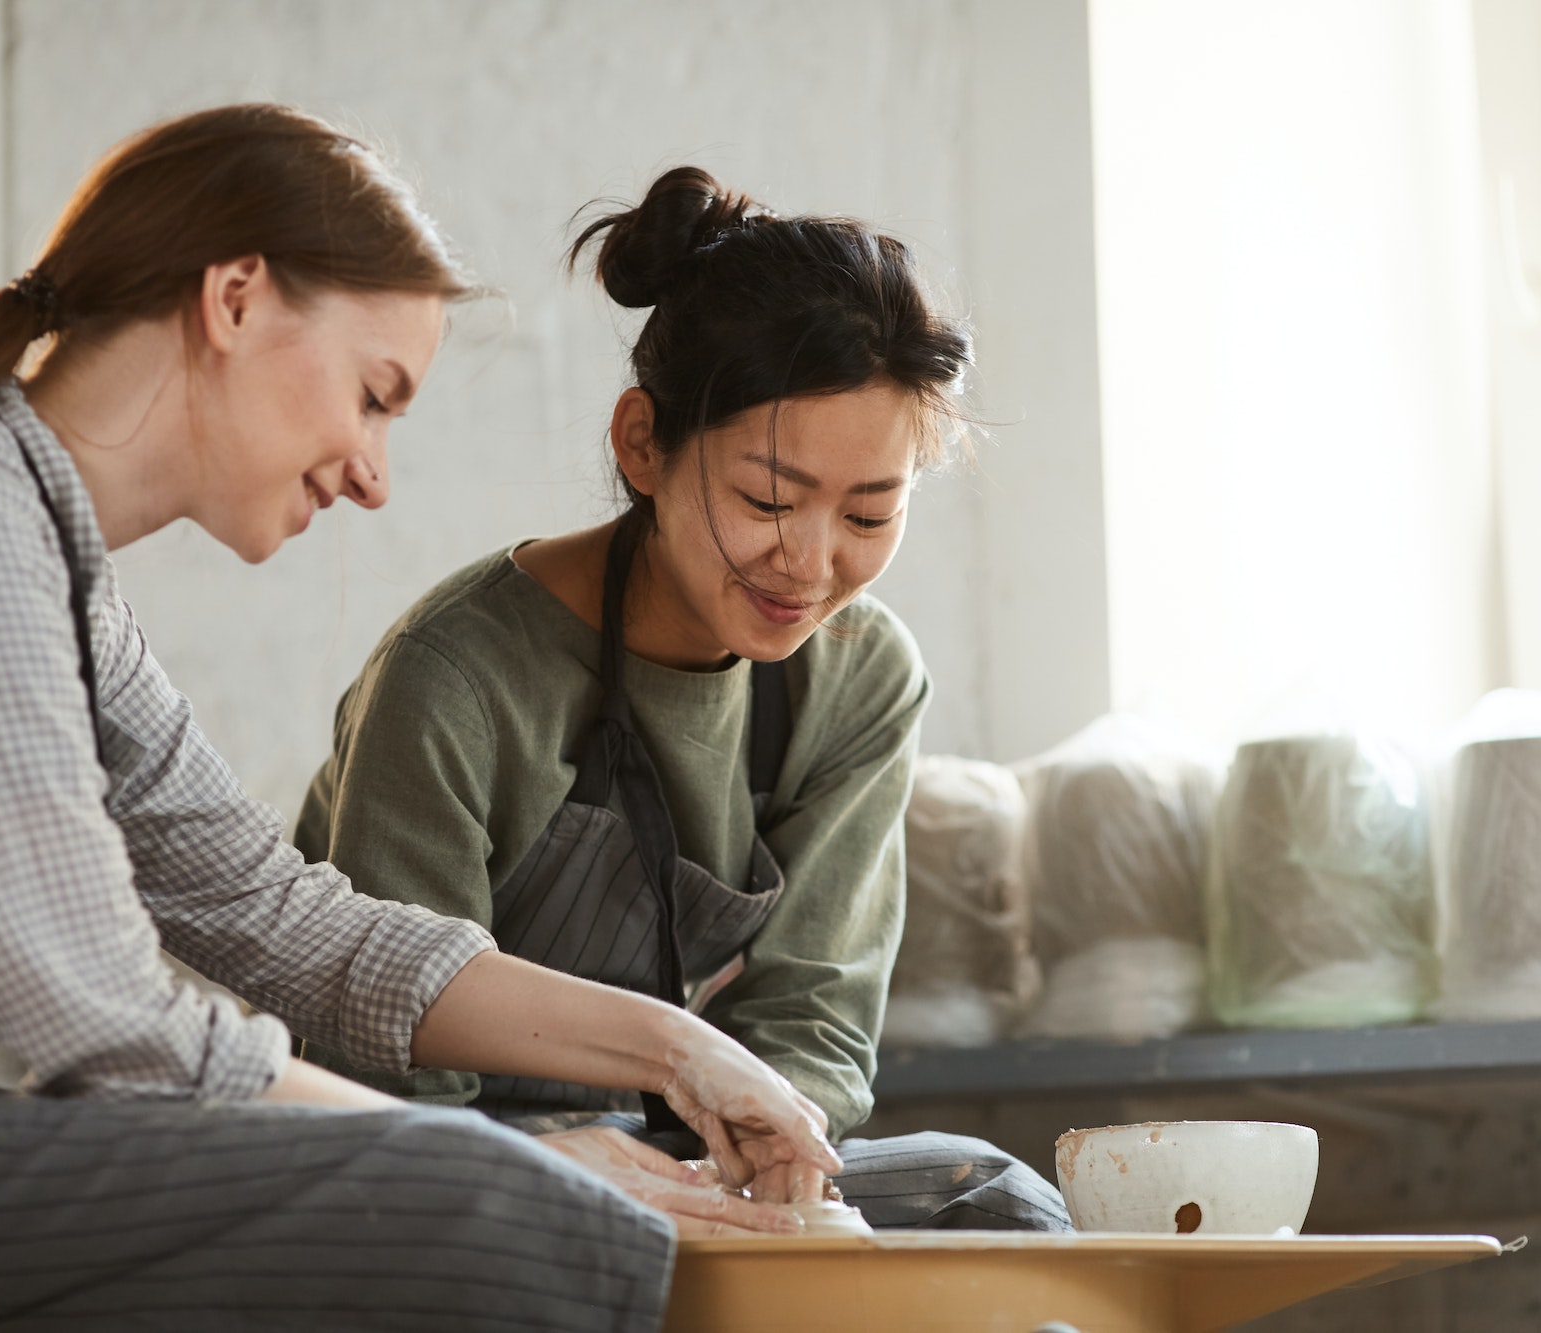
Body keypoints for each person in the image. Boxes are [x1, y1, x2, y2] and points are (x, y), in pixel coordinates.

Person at [0, 106, 846, 1332]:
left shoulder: (46, 561)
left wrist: (677, 1051)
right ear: (236, 301)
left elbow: (284, 921)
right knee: (481, 1210)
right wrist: (504, 1168)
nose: (374, 472)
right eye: (374, 397)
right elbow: (106, 1023)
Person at [295, 167, 1071, 1230]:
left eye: (867, 515)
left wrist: (770, 1171)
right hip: (444, 1155)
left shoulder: (857, 676)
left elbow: (813, 1013)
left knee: (994, 1199)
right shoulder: (458, 674)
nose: (808, 563)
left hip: (705, 1146)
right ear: (640, 444)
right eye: (766, 498)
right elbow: (382, 1056)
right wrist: (579, 1180)